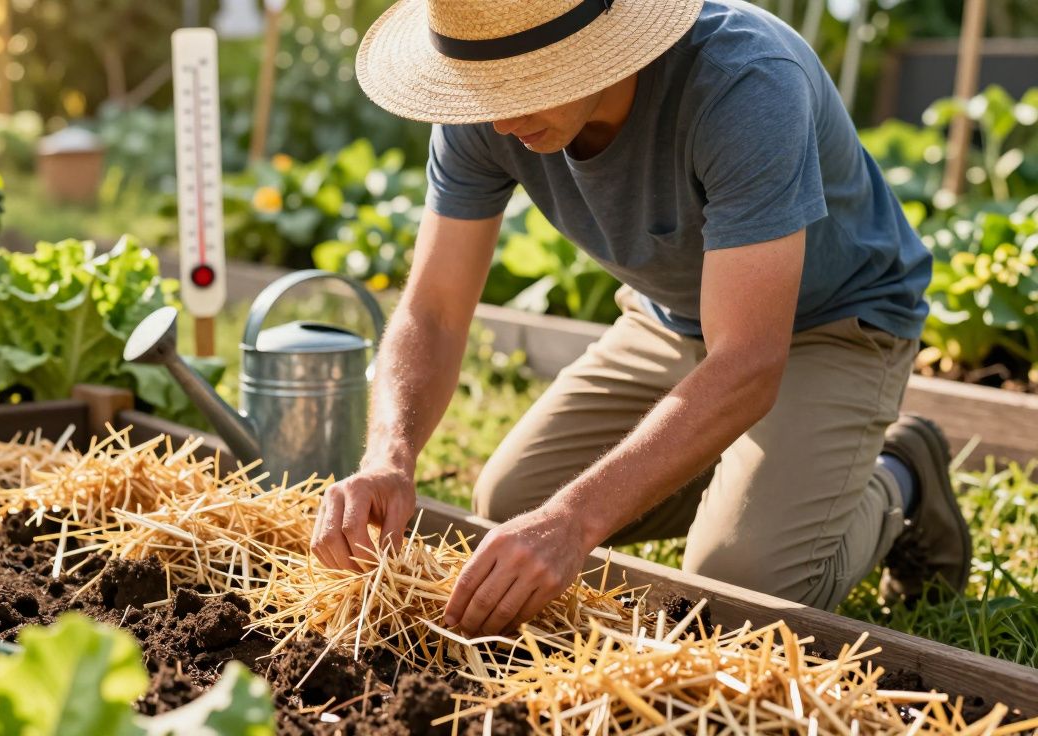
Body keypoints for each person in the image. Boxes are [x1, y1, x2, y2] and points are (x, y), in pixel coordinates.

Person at [309, 0, 971, 636]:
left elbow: (748, 361)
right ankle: (753, 469)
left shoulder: (744, 81)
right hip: (673, 320)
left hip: (834, 324)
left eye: (524, 83)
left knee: (741, 588)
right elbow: (433, 310)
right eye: (483, 87)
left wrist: (574, 520)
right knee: (510, 508)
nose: (500, 119)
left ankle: (899, 475)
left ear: (597, 46)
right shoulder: (484, 97)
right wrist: (388, 454)